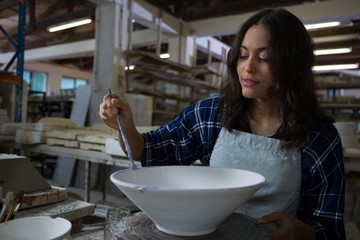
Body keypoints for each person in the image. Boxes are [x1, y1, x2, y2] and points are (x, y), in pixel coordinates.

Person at [99, 8, 345, 240]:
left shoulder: (319, 136)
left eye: (264, 58)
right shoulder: (212, 114)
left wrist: (299, 231)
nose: (248, 68)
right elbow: (148, 149)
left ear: (292, 65)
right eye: (243, 55)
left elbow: (329, 228)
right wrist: (126, 126)